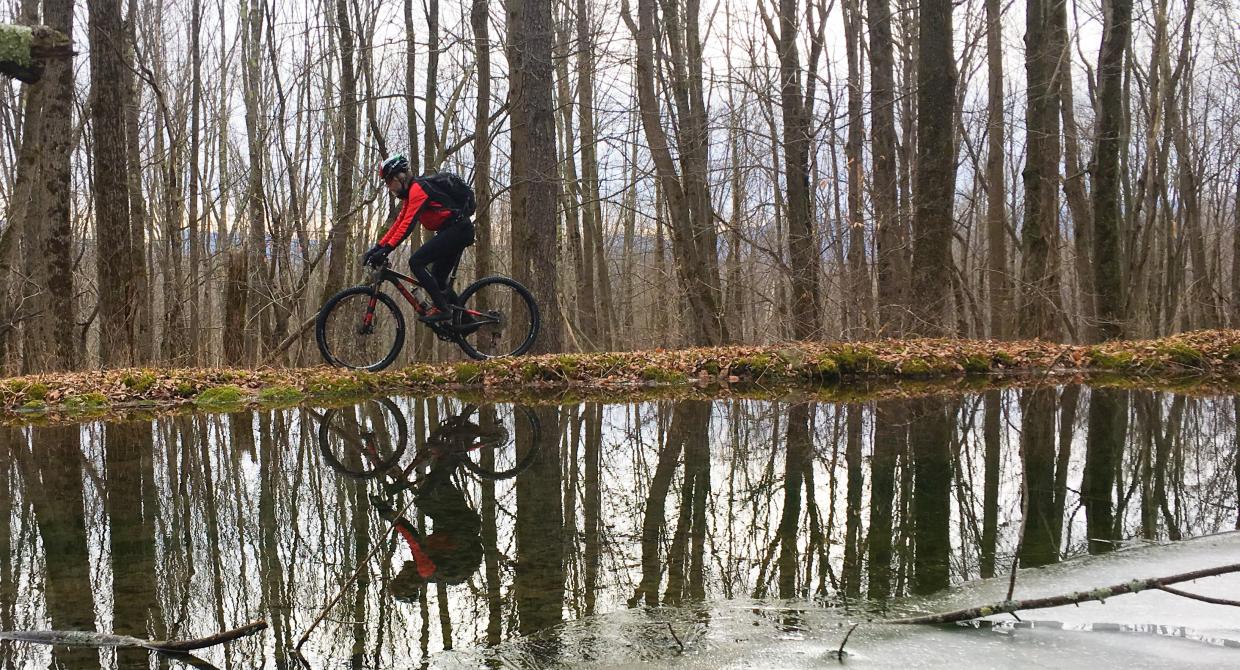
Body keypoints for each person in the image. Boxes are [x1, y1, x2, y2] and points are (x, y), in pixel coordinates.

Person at [363, 154, 475, 323]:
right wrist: (378, 247)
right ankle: (467, 322)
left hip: (459, 230)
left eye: (389, 181)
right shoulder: (411, 194)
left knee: (416, 262)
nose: (388, 187)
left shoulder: (418, 189)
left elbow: (408, 225)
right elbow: (398, 223)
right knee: (438, 279)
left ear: (399, 177)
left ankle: (443, 310)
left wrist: (387, 249)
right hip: (455, 230)